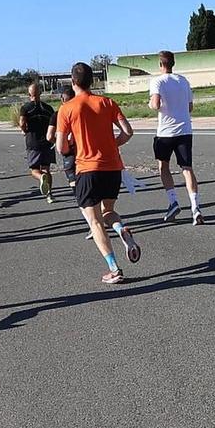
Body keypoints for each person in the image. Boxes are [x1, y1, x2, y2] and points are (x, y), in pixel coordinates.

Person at [54, 61, 141, 284]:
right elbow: (128, 132)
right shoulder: (107, 102)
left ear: (73, 82)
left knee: (94, 222)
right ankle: (122, 230)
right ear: (92, 81)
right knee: (109, 211)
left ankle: (114, 267)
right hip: (112, 167)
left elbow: (61, 147)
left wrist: (73, 145)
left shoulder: (67, 108)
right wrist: (113, 144)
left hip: (87, 169)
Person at [148, 50, 203, 224]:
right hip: (184, 130)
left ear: (160, 64)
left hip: (165, 132)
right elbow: (190, 107)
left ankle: (173, 201)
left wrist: (150, 104)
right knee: (187, 168)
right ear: (173, 63)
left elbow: (156, 104)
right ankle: (195, 206)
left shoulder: (157, 81)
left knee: (163, 166)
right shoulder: (183, 81)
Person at [14, 79, 59, 203]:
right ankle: (49, 194)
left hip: (33, 142)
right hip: (47, 142)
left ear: (29, 95)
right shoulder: (48, 108)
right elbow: (54, 124)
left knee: (34, 170)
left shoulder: (26, 108)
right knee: (46, 168)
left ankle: (40, 178)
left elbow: (22, 122)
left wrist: (24, 130)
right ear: (40, 93)